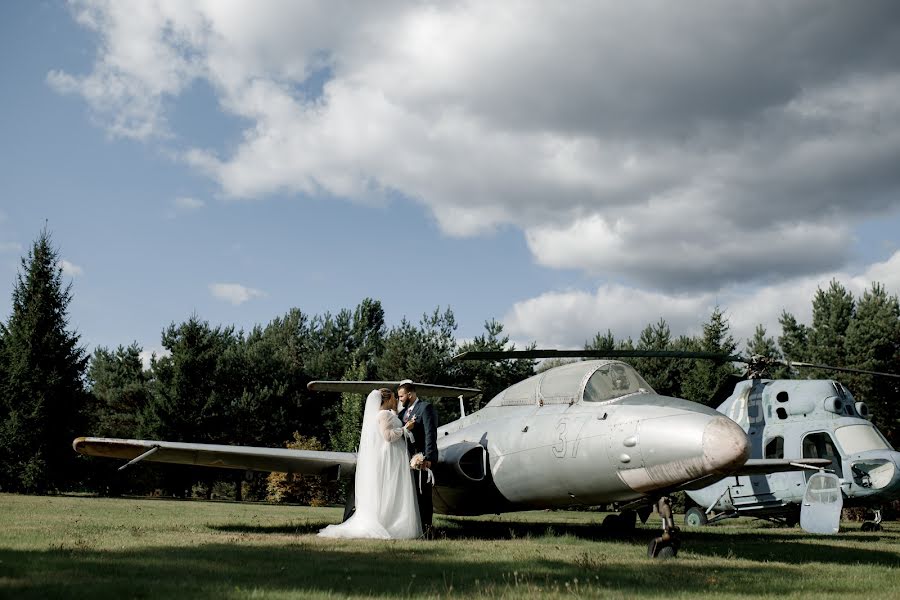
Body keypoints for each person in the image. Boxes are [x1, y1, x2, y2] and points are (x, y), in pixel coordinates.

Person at [318, 389, 422, 539]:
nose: (396, 400)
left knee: (393, 489)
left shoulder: (387, 413)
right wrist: (406, 428)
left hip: (394, 456)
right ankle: (391, 523)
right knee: (391, 488)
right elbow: (388, 436)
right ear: (386, 399)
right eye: (393, 397)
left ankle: (393, 521)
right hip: (391, 457)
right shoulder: (383, 415)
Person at [397, 381, 438, 536]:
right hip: (406, 460)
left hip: (422, 460)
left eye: (401, 396)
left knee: (424, 496)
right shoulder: (403, 413)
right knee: (411, 495)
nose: (399, 399)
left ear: (410, 394)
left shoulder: (425, 408)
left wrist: (428, 457)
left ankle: (427, 529)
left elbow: (430, 433)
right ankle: (414, 528)